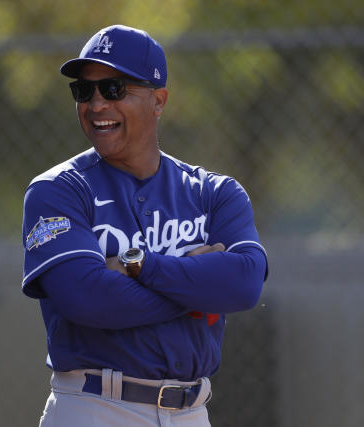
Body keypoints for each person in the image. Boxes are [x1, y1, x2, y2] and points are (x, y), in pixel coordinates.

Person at [21, 24, 268, 426]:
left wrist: (138, 265)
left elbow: (243, 284)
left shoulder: (213, 192)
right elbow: (87, 299)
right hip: (95, 407)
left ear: (158, 100)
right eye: (85, 91)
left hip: (192, 411)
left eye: (114, 89)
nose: (96, 104)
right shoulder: (57, 190)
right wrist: (200, 286)